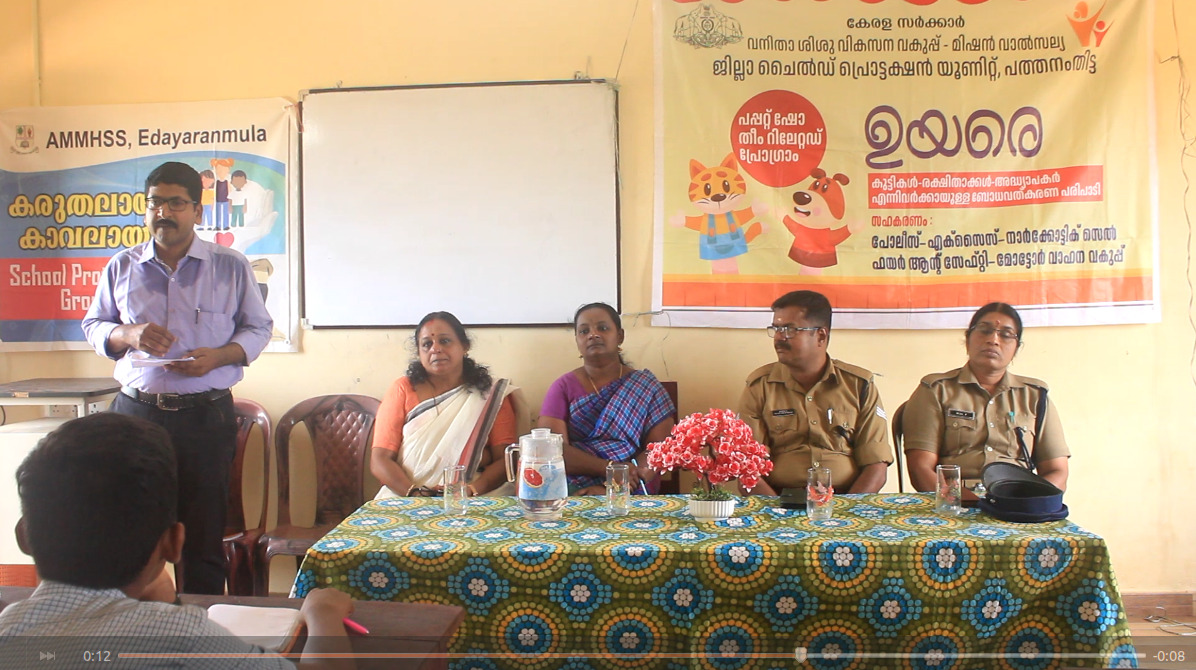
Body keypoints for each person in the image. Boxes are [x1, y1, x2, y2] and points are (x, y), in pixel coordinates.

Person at [0, 412, 355, 670]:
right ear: (174, 543)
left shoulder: (10, 627)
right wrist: (322, 614)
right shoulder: (175, 634)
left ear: (24, 536)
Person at [81, 161, 273, 594]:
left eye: (175, 203)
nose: (163, 212)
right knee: (130, 531)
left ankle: (199, 626)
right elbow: (94, 325)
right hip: (136, 416)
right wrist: (127, 334)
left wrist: (219, 357)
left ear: (198, 211)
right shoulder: (122, 266)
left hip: (204, 417)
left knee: (202, 539)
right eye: (154, 203)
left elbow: (259, 327)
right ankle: (132, 625)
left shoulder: (230, 266)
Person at [901, 302, 1069, 493]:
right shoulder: (936, 390)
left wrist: (1031, 501)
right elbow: (920, 469)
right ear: (967, 339)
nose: (993, 340)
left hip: (1017, 499)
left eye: (1006, 334)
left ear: (1016, 348)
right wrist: (966, 501)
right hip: (953, 501)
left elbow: (1057, 471)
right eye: (984, 330)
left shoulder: (1035, 396)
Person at [738, 290, 892, 494]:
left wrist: (847, 509)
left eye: (790, 329)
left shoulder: (859, 385)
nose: (779, 337)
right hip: (779, 499)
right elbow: (747, 469)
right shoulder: (759, 386)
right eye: (776, 329)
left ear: (821, 335)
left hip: (845, 499)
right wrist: (777, 509)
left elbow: (876, 466)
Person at [371, 311, 518, 497]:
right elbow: (380, 460)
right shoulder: (403, 389)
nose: (436, 349)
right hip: (406, 495)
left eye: (445, 341)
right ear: (419, 352)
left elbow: (507, 459)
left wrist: (470, 490)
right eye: (427, 344)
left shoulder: (490, 393)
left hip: (473, 495)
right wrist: (414, 494)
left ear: (464, 346)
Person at [538, 303, 675, 495]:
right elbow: (550, 449)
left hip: (632, 485)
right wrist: (609, 468)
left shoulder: (646, 387)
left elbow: (659, 448)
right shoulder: (563, 387)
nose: (593, 335)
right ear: (577, 340)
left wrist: (617, 485)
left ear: (620, 336)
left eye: (602, 328)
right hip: (573, 487)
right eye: (584, 331)